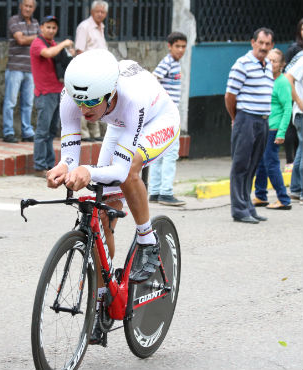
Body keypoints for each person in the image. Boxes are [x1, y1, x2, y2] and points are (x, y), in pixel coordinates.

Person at [46, 49, 180, 343]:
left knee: (130, 170)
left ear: (110, 92)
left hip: (158, 120)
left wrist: (88, 172)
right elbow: (70, 156)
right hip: (119, 125)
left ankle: (148, 240)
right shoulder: (73, 96)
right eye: (79, 102)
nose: (84, 110)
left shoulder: (131, 98)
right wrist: (63, 166)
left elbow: (118, 170)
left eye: (92, 102)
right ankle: (104, 296)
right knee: (103, 214)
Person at [225, 28, 274, 224]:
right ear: (253, 42)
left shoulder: (268, 65)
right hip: (246, 118)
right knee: (241, 164)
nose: (263, 47)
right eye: (260, 43)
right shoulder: (242, 64)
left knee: (253, 165)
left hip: (263, 120)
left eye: (267, 44)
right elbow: (230, 96)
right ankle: (239, 209)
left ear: (271, 46)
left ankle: (248, 205)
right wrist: (236, 117)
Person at [30, 16, 74, 177]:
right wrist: (64, 44)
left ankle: (49, 164)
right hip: (44, 93)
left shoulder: (54, 43)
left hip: (57, 91)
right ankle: (39, 165)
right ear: (41, 27)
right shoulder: (38, 43)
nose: (51, 30)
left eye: (54, 28)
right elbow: (48, 54)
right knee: (42, 132)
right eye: (48, 27)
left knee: (51, 132)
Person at [148, 31, 187, 207]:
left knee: (159, 153)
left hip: (164, 114)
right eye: (177, 46)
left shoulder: (175, 63)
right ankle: (166, 192)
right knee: (171, 153)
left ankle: (155, 192)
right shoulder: (168, 62)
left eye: (183, 46)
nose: (181, 50)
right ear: (169, 46)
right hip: (167, 115)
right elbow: (153, 79)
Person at [253, 49, 292, 210]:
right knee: (260, 163)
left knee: (271, 163)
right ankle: (260, 196)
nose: (271, 63)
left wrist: (282, 132)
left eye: (275, 61)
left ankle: (283, 198)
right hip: (264, 127)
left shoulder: (282, 82)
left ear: (282, 65)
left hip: (274, 129)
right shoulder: (267, 78)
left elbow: (287, 108)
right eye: (269, 60)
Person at [2, 0, 39, 144]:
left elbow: (41, 41)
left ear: (33, 8)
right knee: (10, 102)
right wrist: (36, 37)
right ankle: (8, 132)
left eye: (30, 6)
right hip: (15, 68)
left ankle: (27, 132)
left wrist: (30, 38)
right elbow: (20, 40)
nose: (28, 9)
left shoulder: (36, 22)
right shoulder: (13, 20)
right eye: (26, 6)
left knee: (28, 103)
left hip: (31, 69)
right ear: (21, 6)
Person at [74, 0, 109, 142]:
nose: (100, 14)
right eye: (97, 11)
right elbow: (79, 50)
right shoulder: (85, 27)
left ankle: (95, 132)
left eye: (103, 12)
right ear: (91, 12)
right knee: (84, 103)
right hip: (87, 70)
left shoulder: (101, 27)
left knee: (96, 102)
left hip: (100, 73)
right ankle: (84, 133)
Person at [282, 18, 303, 172]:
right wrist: (296, 98)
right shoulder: (296, 51)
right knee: (290, 127)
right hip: (293, 96)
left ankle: (296, 187)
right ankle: (289, 160)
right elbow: (287, 75)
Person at [285, 55, 303, 205]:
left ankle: (296, 189)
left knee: (301, 151)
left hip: (299, 115)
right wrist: (298, 101)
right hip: (302, 114)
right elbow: (288, 78)